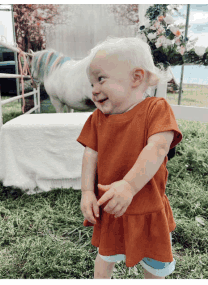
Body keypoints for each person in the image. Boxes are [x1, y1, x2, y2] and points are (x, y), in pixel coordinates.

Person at [77, 37, 183, 279]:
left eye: (101, 79)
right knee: (105, 257)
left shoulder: (156, 109)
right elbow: (89, 154)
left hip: (147, 208)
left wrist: (129, 185)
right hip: (111, 207)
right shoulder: (97, 118)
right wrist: (86, 192)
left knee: (154, 266)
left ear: (136, 78)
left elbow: (157, 148)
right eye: (91, 82)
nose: (93, 89)